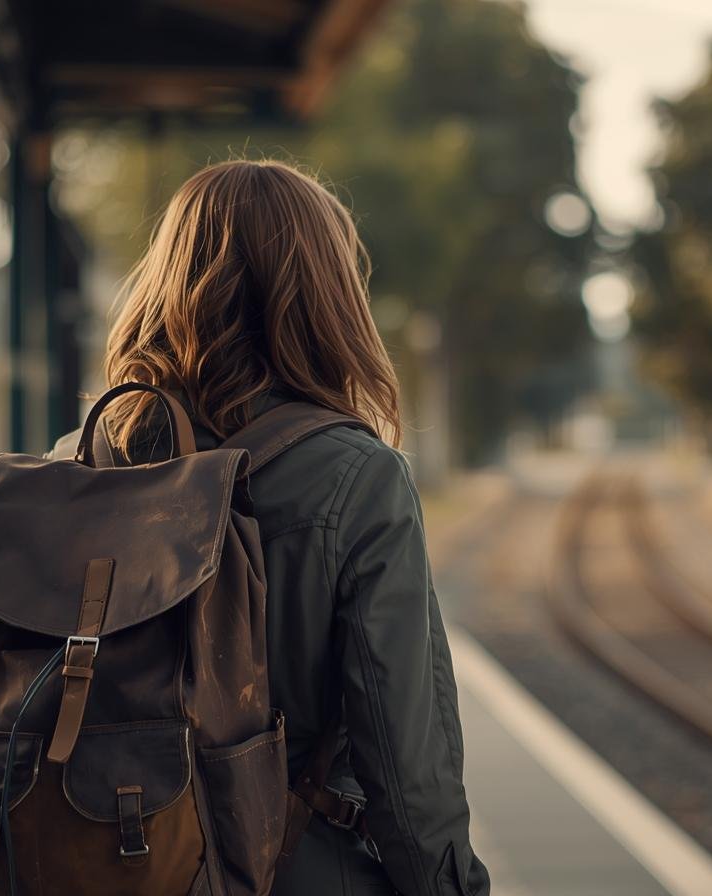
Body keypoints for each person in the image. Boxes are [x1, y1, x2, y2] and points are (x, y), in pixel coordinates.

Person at [58, 159, 489, 896]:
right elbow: (406, 768)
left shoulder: (81, 462)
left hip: (103, 863)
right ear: (326, 297)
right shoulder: (358, 480)